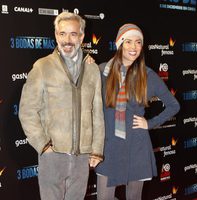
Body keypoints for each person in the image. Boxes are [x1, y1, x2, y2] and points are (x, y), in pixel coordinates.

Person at [18, 11, 105, 200]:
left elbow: (97, 112)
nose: (67, 40)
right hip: (53, 155)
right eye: (62, 33)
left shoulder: (91, 69)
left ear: (81, 36)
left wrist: (96, 149)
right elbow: (27, 111)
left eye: (73, 34)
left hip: (83, 157)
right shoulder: (42, 67)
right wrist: (44, 147)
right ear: (56, 35)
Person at [95, 23, 180, 200]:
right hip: (109, 145)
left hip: (137, 145)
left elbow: (174, 105)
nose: (134, 47)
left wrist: (149, 123)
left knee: (134, 197)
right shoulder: (102, 70)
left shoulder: (148, 75)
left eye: (138, 42)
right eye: (128, 42)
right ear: (119, 44)